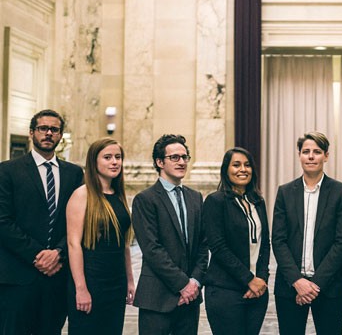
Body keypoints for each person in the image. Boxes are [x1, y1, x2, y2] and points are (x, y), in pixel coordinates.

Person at [0, 109, 84, 334]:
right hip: (18, 276)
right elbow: (3, 222)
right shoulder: (7, 171)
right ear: (31, 133)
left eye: (54, 130)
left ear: (60, 135)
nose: (48, 133)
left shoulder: (74, 174)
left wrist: (58, 252)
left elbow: (79, 223)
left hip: (57, 276)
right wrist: (38, 255)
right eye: (42, 128)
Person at [272, 131, 342, 335]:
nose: (310, 156)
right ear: (299, 155)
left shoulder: (341, 192)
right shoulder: (285, 192)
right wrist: (298, 281)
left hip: (327, 287)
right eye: (306, 151)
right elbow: (278, 240)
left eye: (316, 152)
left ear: (326, 156)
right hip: (290, 287)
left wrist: (314, 285)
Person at [132, 134, 209, 334]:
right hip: (157, 297)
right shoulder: (145, 199)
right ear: (159, 162)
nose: (182, 162)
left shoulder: (195, 198)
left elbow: (203, 245)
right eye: (174, 157)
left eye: (185, 157)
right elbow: (152, 249)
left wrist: (194, 282)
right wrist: (183, 284)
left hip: (190, 299)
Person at [66, 138, 134, 334]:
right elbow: (73, 244)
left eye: (118, 157)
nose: (115, 162)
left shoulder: (118, 194)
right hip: (91, 280)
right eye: (108, 157)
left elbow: (125, 244)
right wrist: (81, 288)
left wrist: (129, 280)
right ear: (93, 162)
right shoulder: (82, 194)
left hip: (116, 282)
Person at [203, 147, 270, 335]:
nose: (243, 169)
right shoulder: (215, 201)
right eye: (236, 165)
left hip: (257, 292)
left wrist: (262, 279)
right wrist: (248, 280)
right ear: (226, 170)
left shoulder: (258, 201)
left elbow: (265, 244)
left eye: (247, 165)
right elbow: (218, 247)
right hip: (225, 291)